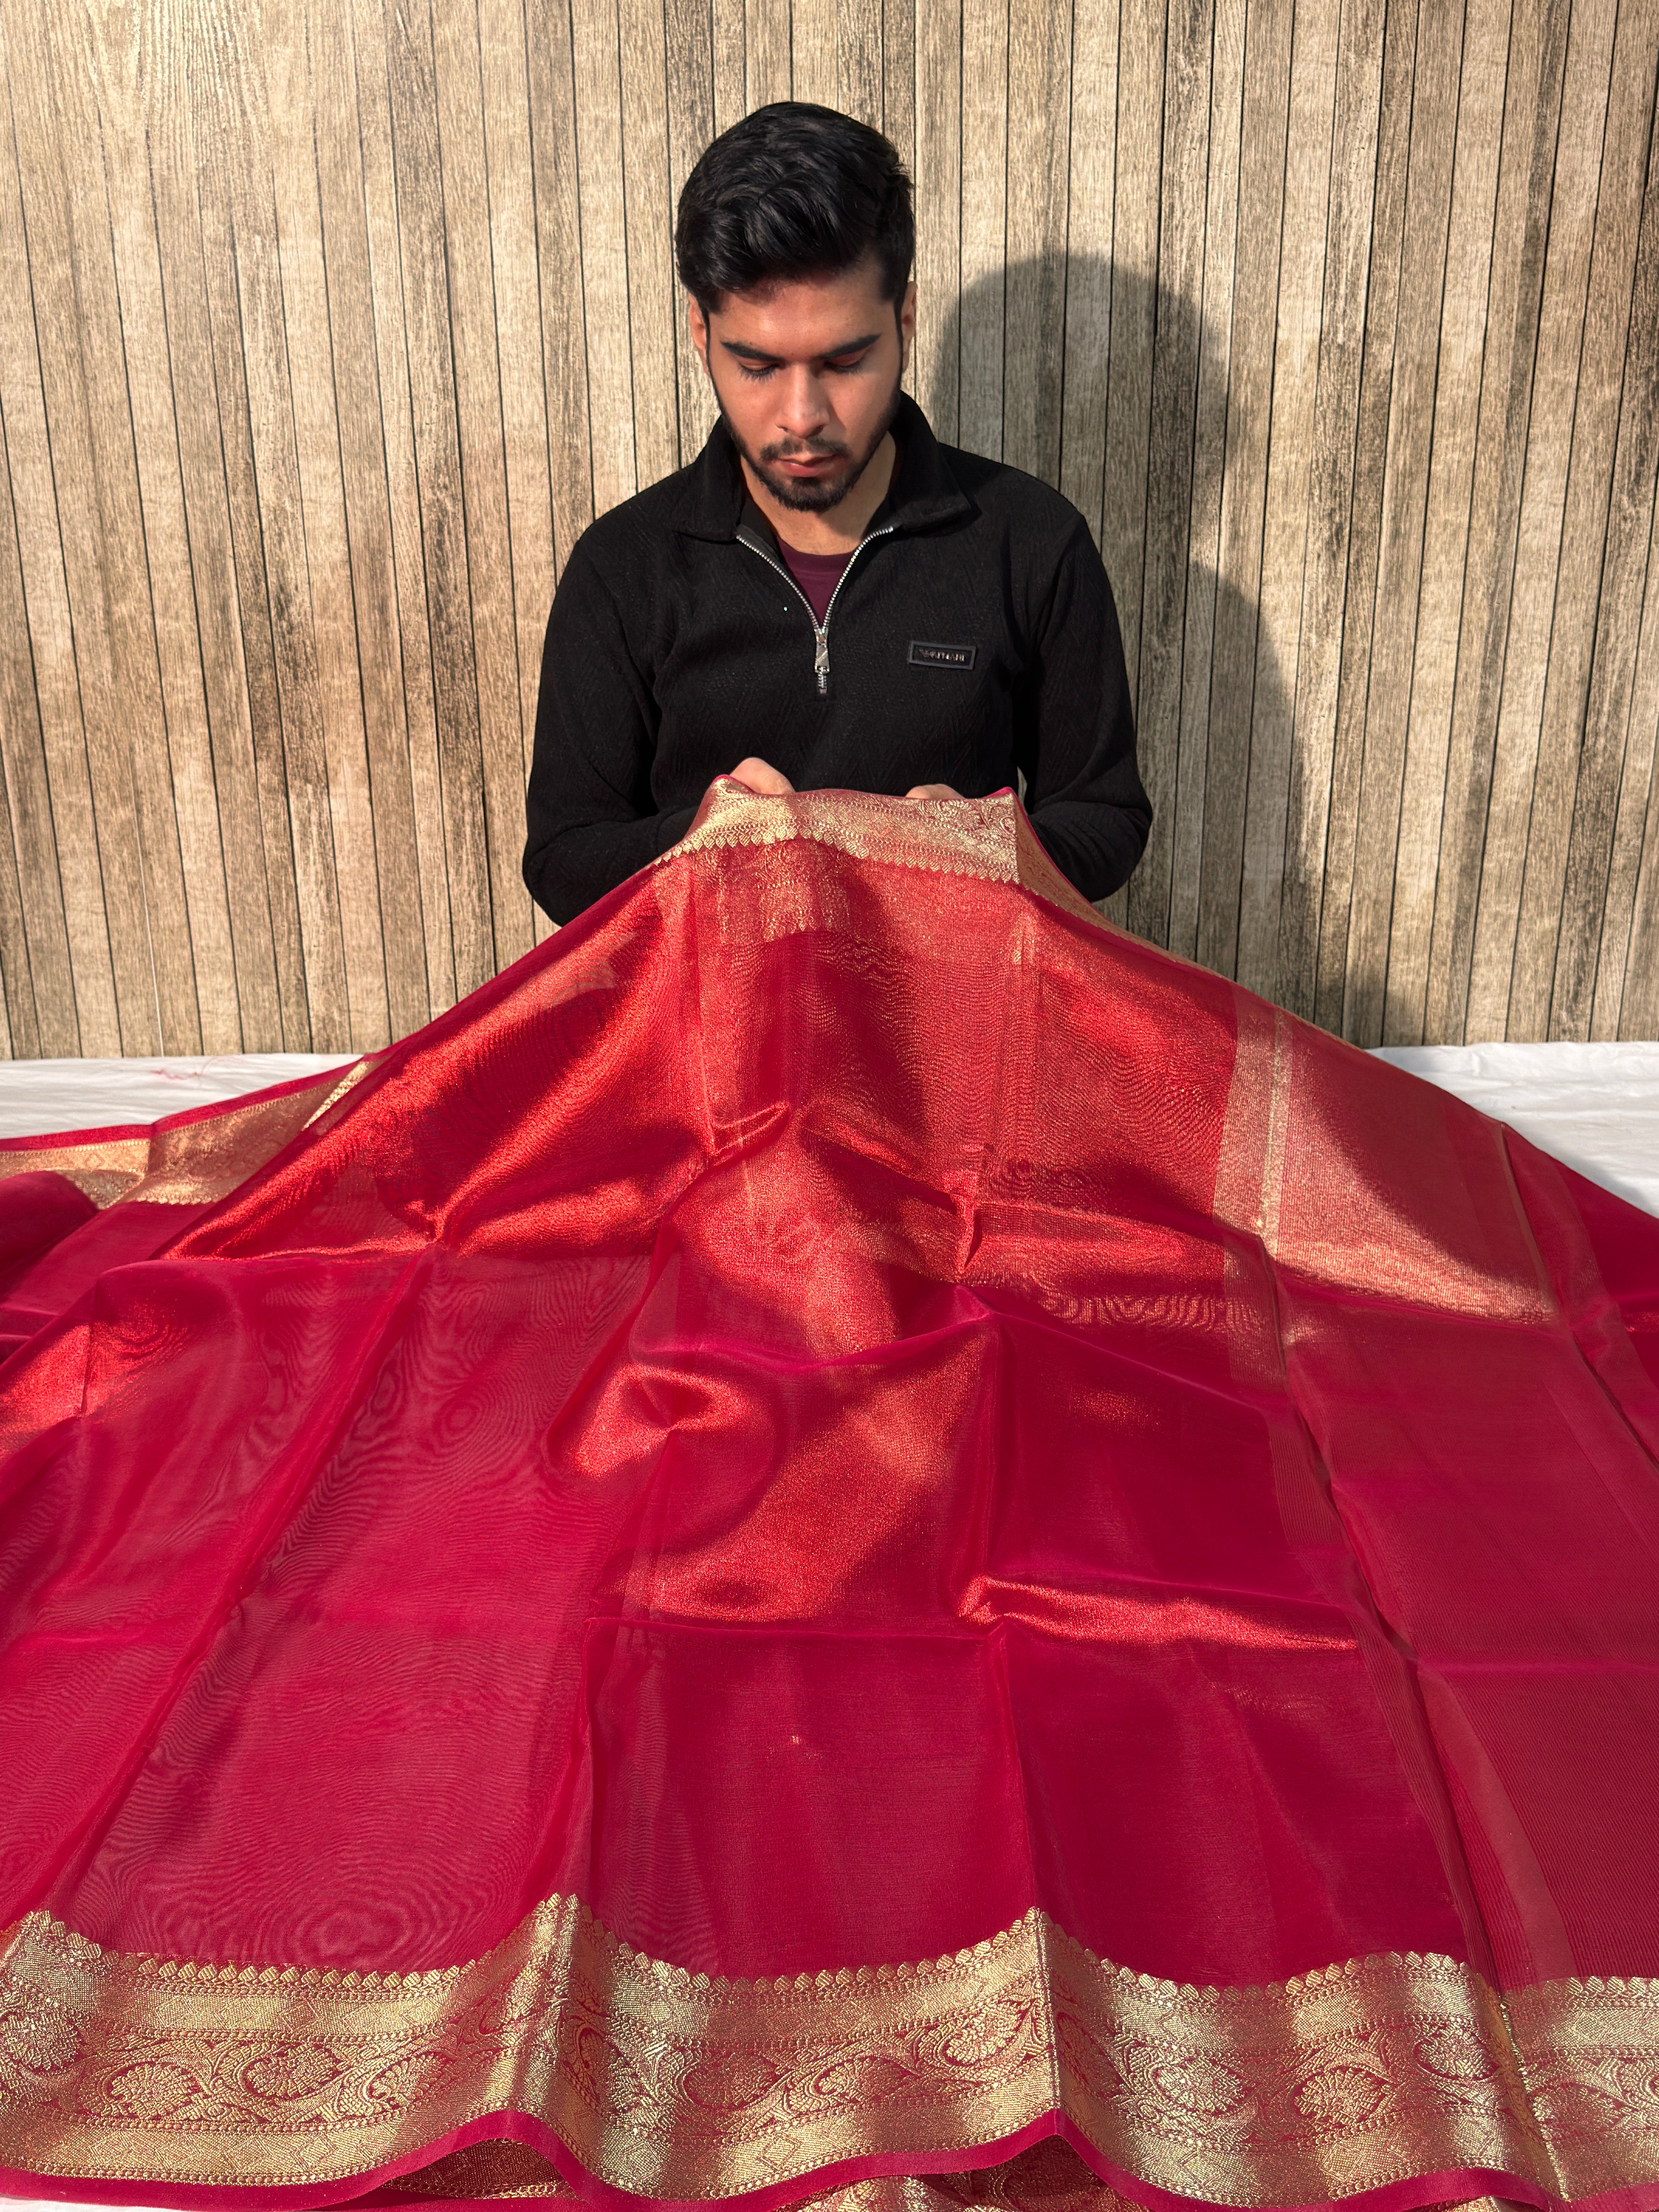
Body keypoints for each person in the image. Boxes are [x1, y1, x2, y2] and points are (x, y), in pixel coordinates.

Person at [523, 103, 1151, 925]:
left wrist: (989, 848)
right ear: (700, 334)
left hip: (951, 1023)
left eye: (846, 361)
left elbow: (1108, 818)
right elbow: (563, 855)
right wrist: (700, 844)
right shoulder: (625, 565)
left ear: (905, 320)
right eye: (756, 364)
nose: (802, 414)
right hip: (715, 1033)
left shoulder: (1032, 541)